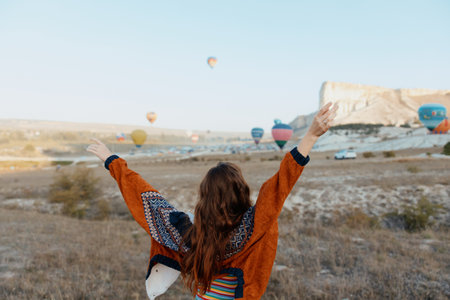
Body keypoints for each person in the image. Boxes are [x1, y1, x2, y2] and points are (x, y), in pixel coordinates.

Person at [87, 103, 338, 299]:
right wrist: (311, 136)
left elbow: (147, 199)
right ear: (240, 190)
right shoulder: (253, 225)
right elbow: (279, 185)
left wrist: (112, 161)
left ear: (205, 196)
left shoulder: (190, 233)